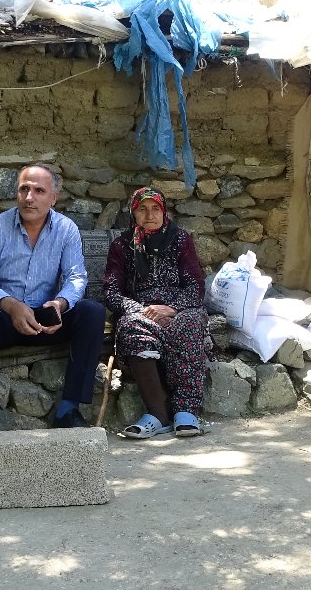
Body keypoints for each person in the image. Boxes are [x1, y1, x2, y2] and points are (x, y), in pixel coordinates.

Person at [0, 164, 107, 456]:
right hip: (4, 319)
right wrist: (10, 305)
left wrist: (60, 304)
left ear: (53, 197)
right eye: (24, 189)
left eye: (39, 190)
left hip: (45, 320)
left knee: (92, 312)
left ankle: (67, 409)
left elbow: (77, 277)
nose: (30, 197)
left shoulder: (66, 230)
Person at [102, 186, 207, 438]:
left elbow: (196, 284)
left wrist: (172, 308)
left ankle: (185, 410)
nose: (149, 214)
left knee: (189, 323)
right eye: (142, 209)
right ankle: (158, 415)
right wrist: (141, 310)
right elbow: (112, 291)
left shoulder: (180, 240)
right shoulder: (122, 246)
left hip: (179, 308)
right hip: (141, 310)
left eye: (155, 208)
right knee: (131, 326)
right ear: (133, 213)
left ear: (164, 212)